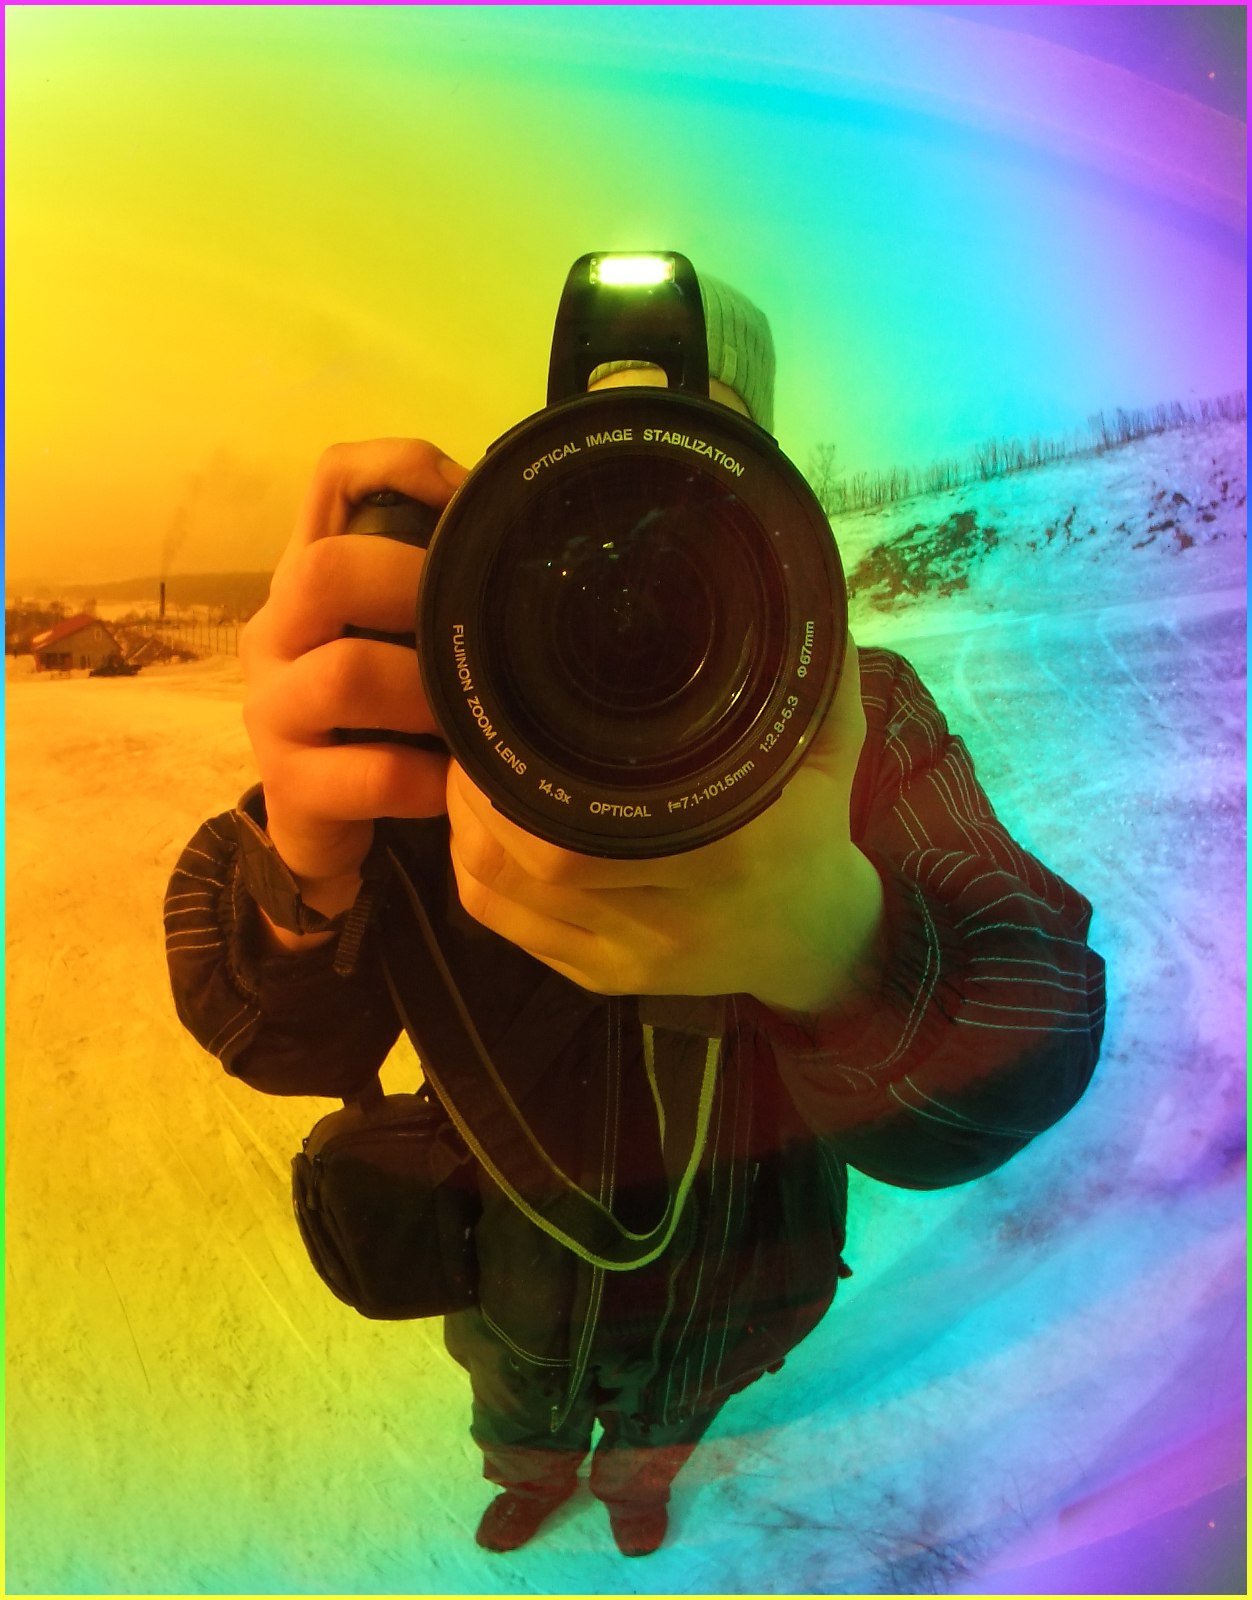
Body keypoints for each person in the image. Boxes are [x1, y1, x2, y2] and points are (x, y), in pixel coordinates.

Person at [164, 269, 1106, 1558]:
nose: (648, 564)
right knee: (518, 1405)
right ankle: (531, 1472)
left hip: (738, 1284)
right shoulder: (453, 708)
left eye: (706, 492)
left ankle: (641, 1482)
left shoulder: (856, 715)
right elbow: (280, 1039)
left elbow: (1026, 1043)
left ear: (779, 513)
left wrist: (839, 944)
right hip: (513, 1266)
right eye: (616, 490)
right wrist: (303, 867)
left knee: (672, 1415)